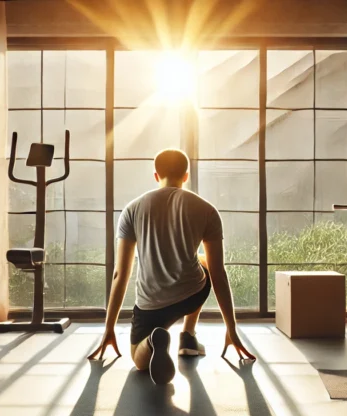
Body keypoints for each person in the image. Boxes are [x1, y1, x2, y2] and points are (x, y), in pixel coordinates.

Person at [88, 148, 255, 383]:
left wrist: (109, 328)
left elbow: (120, 273)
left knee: (138, 359)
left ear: (156, 176)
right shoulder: (206, 210)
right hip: (191, 295)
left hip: (150, 305)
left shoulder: (132, 210)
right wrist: (232, 329)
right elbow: (218, 273)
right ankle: (187, 335)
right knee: (204, 262)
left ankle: (154, 340)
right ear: (185, 176)